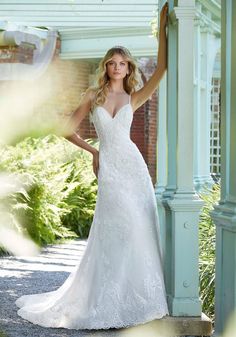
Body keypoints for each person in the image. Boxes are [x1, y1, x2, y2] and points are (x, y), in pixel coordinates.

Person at [15, 2, 169, 330]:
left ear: (129, 68)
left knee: (138, 228)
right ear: (106, 67)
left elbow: (162, 69)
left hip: (133, 168)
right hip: (111, 168)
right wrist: (93, 152)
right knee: (116, 228)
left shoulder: (134, 97)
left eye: (122, 63)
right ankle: (106, 298)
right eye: (112, 63)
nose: (117, 67)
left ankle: (137, 299)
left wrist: (164, 28)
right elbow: (66, 128)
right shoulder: (92, 95)